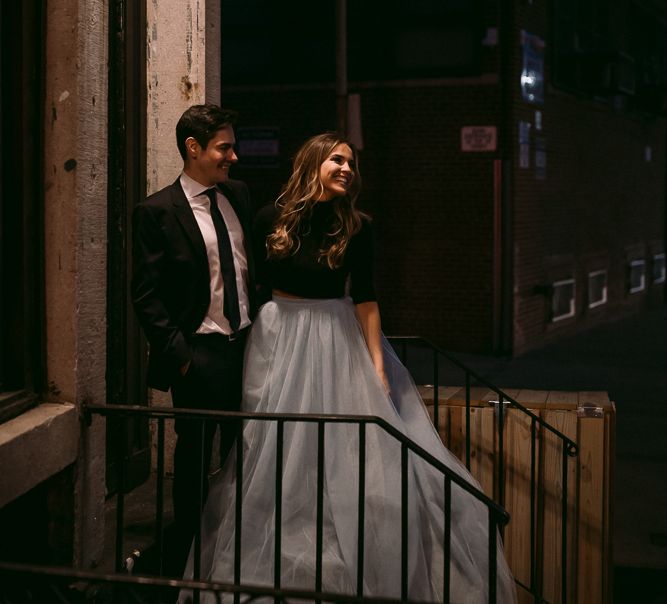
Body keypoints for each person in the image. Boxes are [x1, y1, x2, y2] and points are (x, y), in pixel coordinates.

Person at [180, 133, 516, 603]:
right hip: (279, 336)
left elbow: (367, 297)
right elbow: (249, 284)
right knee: (272, 447)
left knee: (348, 447)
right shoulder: (268, 219)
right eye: (337, 159)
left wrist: (378, 364)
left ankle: (353, 556)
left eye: (352, 163)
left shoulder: (356, 226)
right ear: (313, 162)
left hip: (336, 338)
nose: (346, 169)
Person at [131, 104, 255, 571]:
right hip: (199, 356)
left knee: (245, 455)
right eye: (224, 147)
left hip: (246, 349)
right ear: (193, 147)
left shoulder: (239, 195)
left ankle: (237, 548)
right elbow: (145, 296)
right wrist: (182, 358)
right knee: (194, 460)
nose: (233, 156)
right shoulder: (157, 211)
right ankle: (189, 557)